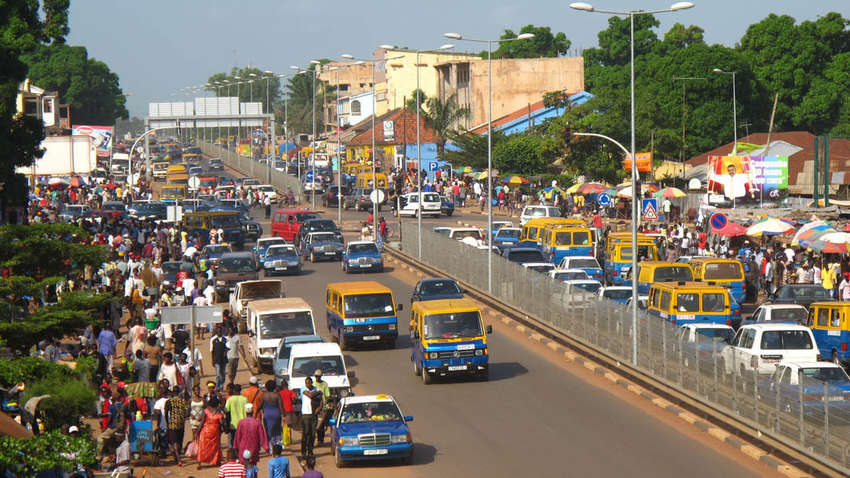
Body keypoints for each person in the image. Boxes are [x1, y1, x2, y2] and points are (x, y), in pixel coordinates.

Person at [95, 387, 128, 463]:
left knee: (100, 439)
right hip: (121, 428)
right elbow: (129, 416)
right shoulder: (124, 406)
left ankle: (98, 457)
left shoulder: (112, 406)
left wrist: (106, 427)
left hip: (112, 427)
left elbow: (109, 418)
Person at [233, 402, 267, 470]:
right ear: (253, 411)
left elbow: (237, 436)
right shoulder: (257, 422)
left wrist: (236, 447)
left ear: (245, 412)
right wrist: (266, 447)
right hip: (254, 447)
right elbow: (262, 436)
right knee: (253, 465)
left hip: (243, 447)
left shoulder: (241, 422)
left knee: (243, 465)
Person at [197, 395, 225, 469]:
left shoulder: (206, 411)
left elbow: (202, 422)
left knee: (202, 446)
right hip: (215, 432)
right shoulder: (218, 412)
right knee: (214, 447)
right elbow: (222, 422)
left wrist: (197, 432)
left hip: (205, 431)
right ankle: (216, 461)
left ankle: (199, 463)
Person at [165, 386, 190, 466]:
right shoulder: (183, 401)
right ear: (179, 392)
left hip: (172, 424)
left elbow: (166, 413)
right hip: (181, 424)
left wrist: (167, 423)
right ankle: (178, 456)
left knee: (174, 442)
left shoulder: (169, 401)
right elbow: (187, 413)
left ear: (173, 392)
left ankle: (178, 459)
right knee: (179, 441)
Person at [300, 377, 322, 459]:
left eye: (309, 383)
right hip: (305, 414)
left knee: (312, 434)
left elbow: (321, 400)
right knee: (305, 433)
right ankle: (303, 452)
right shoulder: (303, 389)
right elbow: (310, 395)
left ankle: (310, 451)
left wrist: (319, 408)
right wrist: (319, 392)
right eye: (306, 383)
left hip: (313, 414)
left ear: (312, 382)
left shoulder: (315, 389)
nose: (308, 384)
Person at [258, 380, 283, 445]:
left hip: (267, 415)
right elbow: (281, 407)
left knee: (268, 431)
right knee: (277, 431)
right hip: (276, 414)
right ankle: (277, 445)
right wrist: (284, 415)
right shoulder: (277, 395)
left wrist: (256, 414)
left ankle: (270, 447)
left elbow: (259, 406)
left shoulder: (263, 395)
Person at [313, 370, 331, 445]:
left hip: (323, 407)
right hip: (315, 407)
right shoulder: (313, 384)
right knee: (315, 424)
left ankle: (321, 440)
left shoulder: (324, 384)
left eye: (318, 376)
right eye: (316, 376)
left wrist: (324, 402)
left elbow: (328, 396)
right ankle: (317, 439)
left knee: (321, 424)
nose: (317, 378)